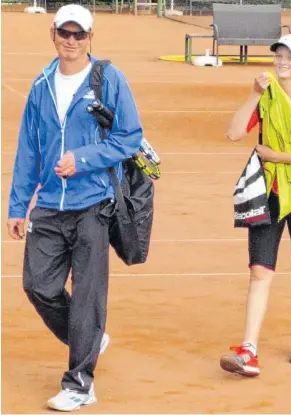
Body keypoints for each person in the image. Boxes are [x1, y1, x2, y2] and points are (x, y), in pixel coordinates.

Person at [7, 4, 143, 411]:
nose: (71, 41)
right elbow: (28, 149)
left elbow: (129, 137)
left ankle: (79, 384)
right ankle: (88, 338)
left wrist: (82, 160)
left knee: (87, 296)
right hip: (49, 203)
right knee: (38, 287)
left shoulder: (108, 79)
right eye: (64, 33)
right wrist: (18, 205)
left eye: (78, 34)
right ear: (53, 34)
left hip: (93, 203)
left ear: (89, 38)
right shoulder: (41, 84)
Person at [220, 34, 291, 377]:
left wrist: (275, 155)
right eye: (279, 54)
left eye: (290, 56)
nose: (283, 60)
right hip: (269, 192)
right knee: (259, 270)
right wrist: (254, 94)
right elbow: (234, 132)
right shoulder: (266, 97)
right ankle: (248, 350)